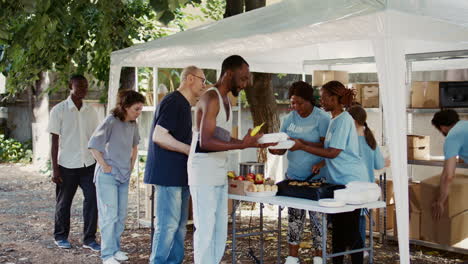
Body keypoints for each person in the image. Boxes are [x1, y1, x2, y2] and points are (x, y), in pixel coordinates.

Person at [188, 55, 272, 264]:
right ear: (229, 74)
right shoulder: (212, 97)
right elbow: (205, 141)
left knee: (219, 231)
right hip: (203, 173)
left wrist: (250, 142)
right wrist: (242, 145)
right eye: (243, 79)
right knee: (206, 230)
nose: (245, 84)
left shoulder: (226, 99)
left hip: (218, 171)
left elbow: (221, 136)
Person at [289, 80, 367, 264]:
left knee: (350, 232)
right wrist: (322, 162)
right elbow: (335, 150)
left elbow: (333, 152)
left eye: (324, 98)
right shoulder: (334, 119)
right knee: (339, 231)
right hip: (338, 181)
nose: (320, 101)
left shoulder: (343, 120)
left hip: (350, 182)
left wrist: (302, 147)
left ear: (334, 99)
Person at [144, 66, 207, 264]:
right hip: (167, 175)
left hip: (180, 175)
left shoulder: (184, 104)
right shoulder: (173, 101)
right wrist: (190, 150)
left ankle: (174, 261)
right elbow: (159, 136)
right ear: (190, 79)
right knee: (168, 225)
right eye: (202, 80)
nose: (204, 85)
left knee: (180, 226)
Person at [269, 81, 330, 264]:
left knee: (318, 221)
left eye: (300, 103)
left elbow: (326, 146)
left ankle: (319, 256)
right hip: (294, 177)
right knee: (295, 219)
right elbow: (283, 145)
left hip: (318, 179)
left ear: (309, 100)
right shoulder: (289, 119)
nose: (296, 107)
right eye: (293, 103)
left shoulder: (322, 118)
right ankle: (292, 257)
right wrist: (274, 149)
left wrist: (301, 143)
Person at [88, 90, 144, 264]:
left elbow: (135, 147)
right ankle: (107, 255)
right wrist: (105, 166)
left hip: (124, 175)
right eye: (136, 108)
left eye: (141, 109)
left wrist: (132, 165)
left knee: (120, 215)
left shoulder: (133, 124)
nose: (139, 112)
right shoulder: (110, 121)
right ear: (126, 107)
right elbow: (93, 145)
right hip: (108, 176)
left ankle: (116, 249)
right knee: (109, 216)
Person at [47, 74, 100, 251]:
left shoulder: (91, 111)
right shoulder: (59, 110)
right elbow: (54, 142)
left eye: (86, 86)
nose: (84, 90)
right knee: (64, 203)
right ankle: (60, 236)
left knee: (92, 200)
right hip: (66, 165)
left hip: (89, 164)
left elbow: (95, 138)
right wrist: (54, 169)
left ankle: (89, 239)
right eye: (80, 86)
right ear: (71, 86)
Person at [347, 105, 389, 249]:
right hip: (368, 189)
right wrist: (387, 161)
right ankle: (361, 248)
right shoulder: (370, 138)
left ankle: (354, 248)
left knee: (349, 219)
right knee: (360, 219)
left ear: (351, 120)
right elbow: (379, 164)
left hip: (350, 186)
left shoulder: (347, 141)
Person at [431, 109, 468, 220]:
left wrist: (440, 201)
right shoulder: (465, 125)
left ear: (442, 127)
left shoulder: (452, 137)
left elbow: (448, 176)